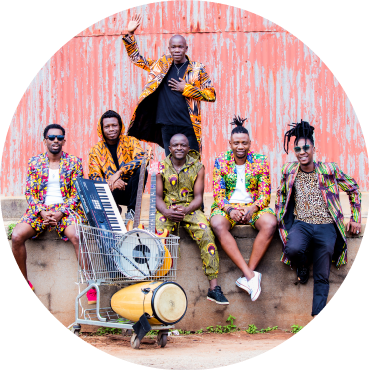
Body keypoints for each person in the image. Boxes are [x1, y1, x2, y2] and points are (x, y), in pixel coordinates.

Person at [276, 120, 361, 317]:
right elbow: (280, 197)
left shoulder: (329, 170)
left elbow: (353, 188)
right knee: (292, 249)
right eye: (297, 148)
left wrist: (355, 217)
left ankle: (318, 317)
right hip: (302, 224)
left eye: (306, 147)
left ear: (314, 148)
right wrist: (279, 220)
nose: (302, 152)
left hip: (326, 227)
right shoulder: (289, 171)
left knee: (322, 276)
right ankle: (303, 264)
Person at [10, 124, 95, 301]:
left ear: (64, 140)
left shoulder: (74, 162)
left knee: (78, 236)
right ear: (45, 141)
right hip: (40, 211)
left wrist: (60, 212)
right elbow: (30, 192)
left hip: (65, 211)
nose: (55, 140)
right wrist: (41, 211)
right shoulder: (35, 162)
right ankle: (24, 283)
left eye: (59, 137)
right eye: (51, 137)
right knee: (17, 235)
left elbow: (76, 193)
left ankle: (91, 284)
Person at [122, 14, 216, 156]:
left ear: (186, 48)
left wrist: (187, 88)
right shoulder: (161, 65)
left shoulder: (197, 69)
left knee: (193, 166)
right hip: (167, 126)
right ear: (169, 48)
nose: (176, 50)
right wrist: (130, 33)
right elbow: (137, 59)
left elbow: (211, 94)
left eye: (180, 47)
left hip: (189, 125)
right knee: (171, 169)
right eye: (173, 47)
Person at [155, 133, 228, 305]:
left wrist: (186, 209)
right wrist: (167, 212)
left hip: (190, 209)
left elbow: (198, 197)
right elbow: (157, 197)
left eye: (183, 145)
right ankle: (155, 284)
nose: (179, 148)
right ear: (170, 148)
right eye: (175, 145)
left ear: (188, 148)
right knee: (156, 236)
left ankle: (213, 288)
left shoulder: (198, 167)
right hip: (167, 209)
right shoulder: (159, 167)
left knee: (206, 233)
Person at [210, 117, 277, 302]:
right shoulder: (221, 161)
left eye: (244, 143)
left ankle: (247, 277)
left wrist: (253, 208)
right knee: (216, 223)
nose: (240, 146)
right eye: (237, 143)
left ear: (250, 143)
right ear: (230, 143)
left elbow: (265, 194)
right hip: (228, 208)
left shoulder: (260, 161)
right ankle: (250, 276)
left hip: (253, 207)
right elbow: (218, 194)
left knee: (271, 223)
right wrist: (230, 209)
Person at [88, 110, 147, 215]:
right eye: (107, 126)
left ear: (120, 126)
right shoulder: (96, 150)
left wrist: (119, 172)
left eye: (114, 125)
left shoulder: (131, 141)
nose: (111, 129)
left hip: (131, 191)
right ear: (101, 129)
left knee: (142, 170)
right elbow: (93, 176)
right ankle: (114, 211)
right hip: (110, 192)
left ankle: (132, 212)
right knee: (97, 185)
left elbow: (142, 158)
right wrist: (112, 182)